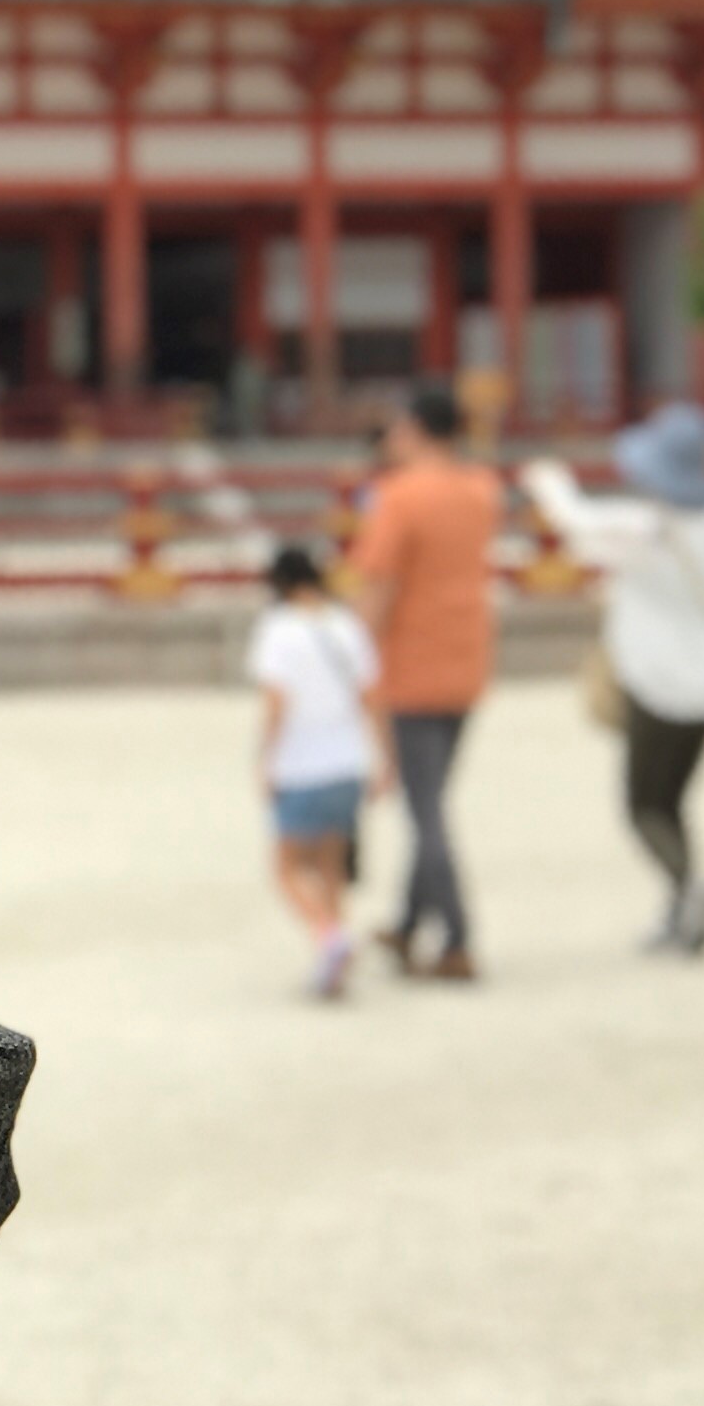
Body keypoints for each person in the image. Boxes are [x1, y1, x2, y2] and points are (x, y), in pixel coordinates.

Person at [522, 401, 704, 955]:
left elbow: (576, 522)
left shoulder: (644, 528)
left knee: (643, 806)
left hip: (655, 685)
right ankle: (679, 908)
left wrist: (549, 484)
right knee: (672, 802)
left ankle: (689, 888)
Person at [347, 382, 502, 981]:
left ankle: (457, 937)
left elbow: (378, 587)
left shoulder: (399, 496)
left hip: (412, 663)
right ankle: (411, 923)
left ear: (412, 429)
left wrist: (352, 660)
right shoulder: (481, 489)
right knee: (430, 797)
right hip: (465, 656)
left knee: (424, 809)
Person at [246, 541, 389, 999]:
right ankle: (334, 954)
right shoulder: (346, 625)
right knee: (331, 866)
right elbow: (371, 697)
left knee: (286, 868)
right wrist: (385, 759)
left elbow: (277, 702)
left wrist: (265, 759)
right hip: (348, 761)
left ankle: (329, 937)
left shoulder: (278, 629)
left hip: (301, 763)